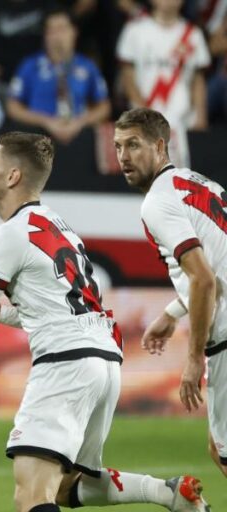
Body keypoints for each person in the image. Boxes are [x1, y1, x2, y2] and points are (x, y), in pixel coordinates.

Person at [0, 131, 209, 512]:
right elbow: (58, 308)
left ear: (13, 176)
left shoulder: (11, 233)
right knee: (66, 487)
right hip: (102, 362)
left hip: (66, 365)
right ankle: (167, 494)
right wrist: (1, 311)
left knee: (31, 493)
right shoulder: (57, 225)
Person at [114, 107, 227, 480]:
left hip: (224, 338)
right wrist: (173, 312)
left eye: (134, 145)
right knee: (217, 445)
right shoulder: (198, 183)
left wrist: (193, 359)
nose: (124, 157)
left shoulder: (158, 202)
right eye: (118, 147)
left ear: (160, 146)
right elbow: (216, 268)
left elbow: (205, 280)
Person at [117, 0, 210, 166]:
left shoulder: (193, 34)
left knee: (179, 181)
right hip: (143, 121)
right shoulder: (135, 30)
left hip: (181, 122)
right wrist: (140, 113)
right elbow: (127, 76)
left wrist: (200, 115)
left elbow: (198, 80)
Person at [6, 9, 110, 144]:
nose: (56, 36)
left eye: (61, 29)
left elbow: (104, 106)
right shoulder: (30, 65)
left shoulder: (87, 66)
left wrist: (79, 123)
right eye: (51, 31)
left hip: (77, 138)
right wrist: (46, 121)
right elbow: (12, 106)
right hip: (36, 138)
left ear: (74, 31)